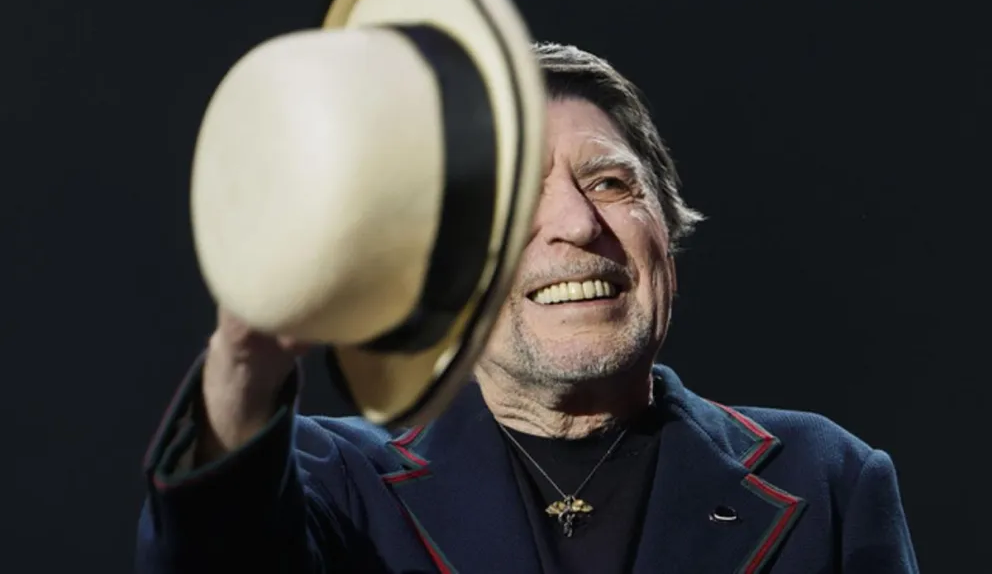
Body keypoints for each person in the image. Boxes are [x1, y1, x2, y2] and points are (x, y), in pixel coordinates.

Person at [136, 42, 919, 574]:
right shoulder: (335, 483)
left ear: (667, 233)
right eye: (513, 202)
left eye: (611, 183)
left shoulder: (830, 479)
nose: (577, 224)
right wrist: (247, 358)